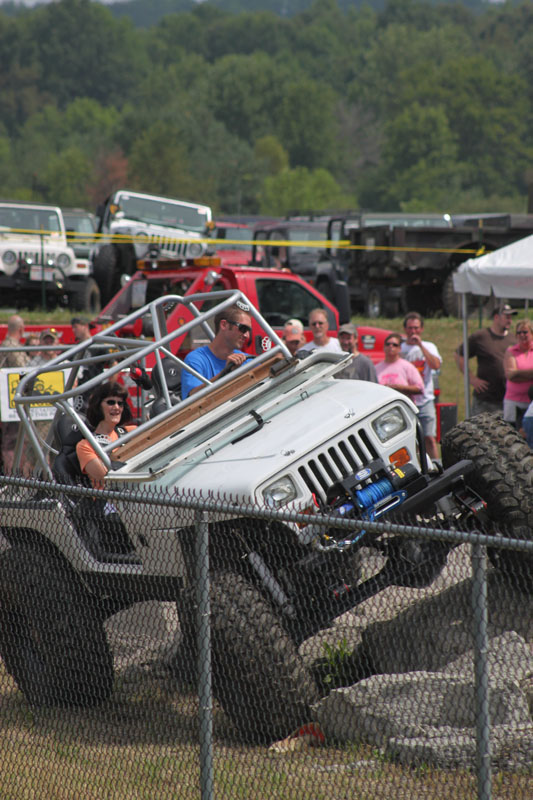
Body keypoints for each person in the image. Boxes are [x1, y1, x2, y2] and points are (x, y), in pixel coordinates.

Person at [454, 304, 517, 416]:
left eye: (511, 317)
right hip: (485, 398)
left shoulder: (514, 339)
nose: (509, 320)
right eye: (507, 317)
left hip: (509, 397)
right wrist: (472, 379)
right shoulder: (481, 336)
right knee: (480, 431)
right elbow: (459, 355)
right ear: (496, 317)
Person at [181, 304, 252, 399]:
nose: (247, 335)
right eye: (243, 329)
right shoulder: (196, 359)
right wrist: (226, 373)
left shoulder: (248, 360)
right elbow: (192, 398)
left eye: (249, 331)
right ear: (224, 325)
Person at [76, 381, 135, 488]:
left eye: (120, 403)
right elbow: (107, 480)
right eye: (111, 402)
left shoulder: (132, 432)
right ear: (98, 406)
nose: (116, 407)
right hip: (109, 500)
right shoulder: (85, 446)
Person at [400, 312, 442, 460]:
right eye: (410, 328)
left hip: (425, 400)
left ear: (422, 329)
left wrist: (420, 346)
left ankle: (437, 465)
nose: (413, 331)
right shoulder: (399, 347)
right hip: (406, 400)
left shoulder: (429, 346)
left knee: (429, 438)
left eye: (416, 328)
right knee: (411, 441)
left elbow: (435, 365)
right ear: (405, 329)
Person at [0, 314, 30, 474]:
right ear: (21, 329)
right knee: (14, 441)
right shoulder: (12, 346)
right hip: (12, 403)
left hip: (11, 401)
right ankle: (14, 480)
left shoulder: (7, 345)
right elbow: (22, 368)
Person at [503, 319, 533, 428]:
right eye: (519, 332)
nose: (522, 335)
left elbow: (516, 374)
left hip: (531, 403)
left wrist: (519, 374)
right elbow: (511, 375)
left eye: (525, 332)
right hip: (513, 401)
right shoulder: (511, 351)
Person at [376, 333, 424, 399]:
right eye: (388, 344)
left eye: (395, 345)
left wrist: (400, 388)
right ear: (384, 347)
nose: (391, 346)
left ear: (399, 348)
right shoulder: (376, 368)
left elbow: (420, 388)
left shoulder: (408, 366)